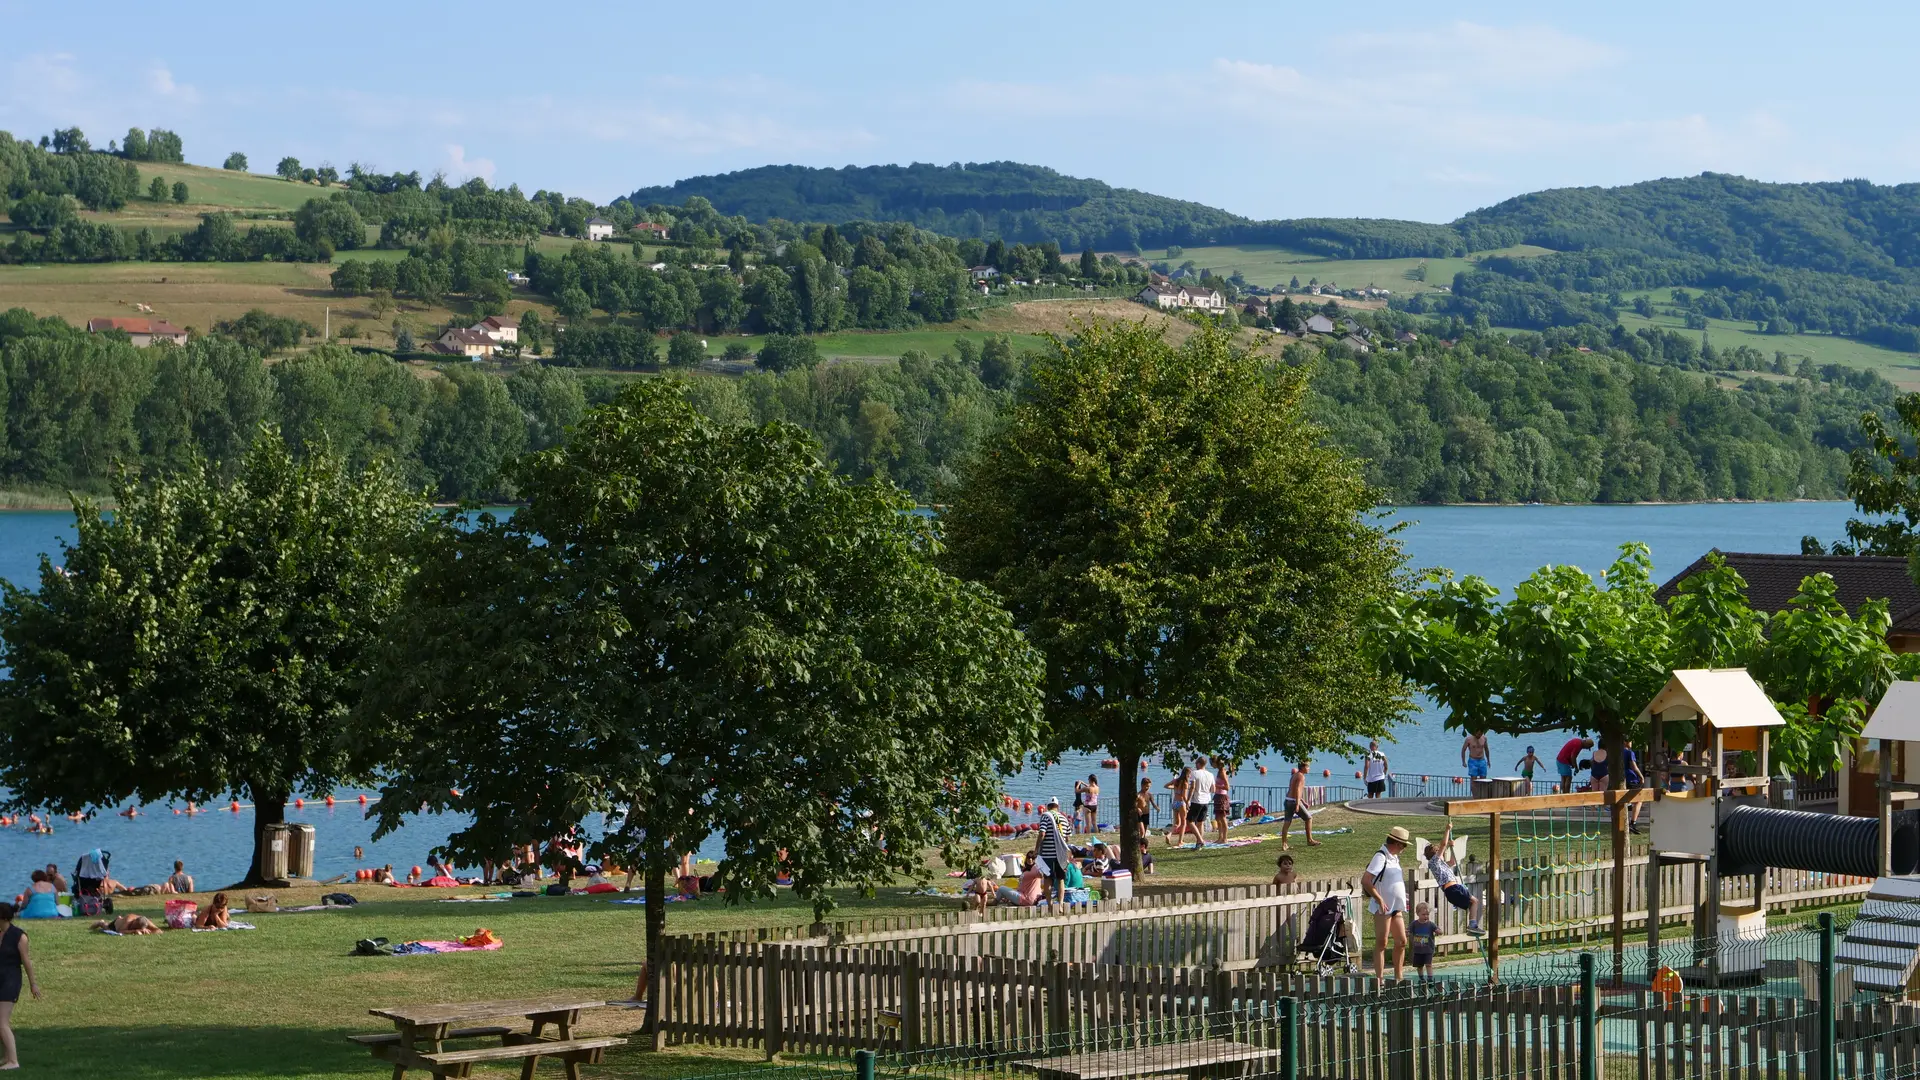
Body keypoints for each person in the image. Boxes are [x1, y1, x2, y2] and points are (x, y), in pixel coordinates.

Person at [1362, 826, 1412, 981]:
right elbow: (1366, 880)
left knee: (1401, 941)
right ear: (1397, 843)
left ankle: (1399, 977)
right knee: (1382, 942)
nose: (1404, 848)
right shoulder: (1381, 856)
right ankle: (1380, 979)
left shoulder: (1395, 858)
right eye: (1403, 845)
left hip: (1396, 906)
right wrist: (1379, 899)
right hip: (1383, 907)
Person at [1425, 824, 1483, 935]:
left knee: (1472, 904)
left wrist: (1452, 848)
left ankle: (1472, 926)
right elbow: (1443, 844)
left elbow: (1452, 862)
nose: (1443, 854)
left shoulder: (1441, 864)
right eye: (1442, 853)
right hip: (1453, 888)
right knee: (1475, 901)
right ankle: (1472, 926)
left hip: (1452, 890)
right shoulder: (1434, 862)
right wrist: (1447, 829)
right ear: (1436, 854)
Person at [0, 902, 38, 1069]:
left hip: (11, 980)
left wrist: (33, 984)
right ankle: (6, 1056)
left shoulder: (19, 936)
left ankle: (13, 1061)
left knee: (2, 1022)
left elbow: (26, 962)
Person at [1036, 797, 1073, 899]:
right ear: (1058, 806)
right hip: (1061, 855)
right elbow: (1067, 838)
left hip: (1048, 853)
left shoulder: (1046, 816)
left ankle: (1049, 904)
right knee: (1061, 879)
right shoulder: (1064, 819)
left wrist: (1036, 848)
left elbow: (1042, 833)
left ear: (1048, 806)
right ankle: (1060, 904)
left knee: (1048, 879)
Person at [1280, 761, 1321, 850]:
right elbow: (1298, 790)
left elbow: (1293, 789)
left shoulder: (1294, 775)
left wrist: (1303, 801)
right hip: (1294, 802)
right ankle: (1309, 840)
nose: (1309, 768)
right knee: (1309, 818)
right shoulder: (1301, 776)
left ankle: (1284, 844)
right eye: (1308, 767)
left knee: (1287, 822)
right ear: (1303, 767)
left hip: (1288, 800)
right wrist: (1298, 804)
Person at [1179, 756, 1216, 850]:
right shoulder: (1210, 774)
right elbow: (1213, 789)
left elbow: (1192, 788)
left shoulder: (1195, 773)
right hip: (1206, 800)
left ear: (1199, 764)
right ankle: (1198, 844)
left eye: (1196, 763)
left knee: (1189, 821)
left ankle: (1200, 840)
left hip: (1197, 800)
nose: (1195, 765)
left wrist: (1187, 800)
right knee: (1200, 823)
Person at [1407, 902, 1438, 982]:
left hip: (1428, 949)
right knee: (1419, 966)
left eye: (1427, 914)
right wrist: (1406, 933)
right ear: (1418, 914)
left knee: (1428, 964)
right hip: (1418, 949)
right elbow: (1408, 931)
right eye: (1423, 914)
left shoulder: (1430, 924)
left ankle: (1430, 978)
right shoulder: (1414, 924)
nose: (1426, 916)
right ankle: (1421, 978)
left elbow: (1437, 929)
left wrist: (1439, 931)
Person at [1163, 768, 1191, 845]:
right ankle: (1180, 841)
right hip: (1181, 803)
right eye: (1190, 774)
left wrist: (1174, 787)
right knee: (1183, 823)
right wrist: (1188, 804)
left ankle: (1169, 834)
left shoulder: (1176, 781)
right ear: (1187, 774)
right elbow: (1184, 796)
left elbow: (1166, 786)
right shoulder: (1185, 783)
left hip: (1175, 802)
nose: (1190, 776)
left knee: (1177, 823)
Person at [1622, 744, 1645, 833]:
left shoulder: (1617, 752)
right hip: (1631, 779)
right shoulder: (1629, 752)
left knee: (1625, 800)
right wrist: (1641, 776)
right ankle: (1632, 823)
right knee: (1639, 800)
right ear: (1626, 742)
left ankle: (1627, 823)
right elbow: (1633, 766)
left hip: (1621, 778)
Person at [1211, 760, 1232, 845]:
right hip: (1217, 796)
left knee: (1223, 818)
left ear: (1216, 763)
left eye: (1212, 763)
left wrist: (1216, 785)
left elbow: (1227, 787)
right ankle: (1220, 837)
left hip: (1222, 797)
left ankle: (1225, 838)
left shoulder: (1223, 772)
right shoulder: (1219, 772)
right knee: (1217, 818)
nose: (1211, 765)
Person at [91, 913, 160, 935]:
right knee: (104, 926)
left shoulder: (145, 921)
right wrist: (134, 931)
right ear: (134, 921)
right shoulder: (129, 920)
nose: (133, 927)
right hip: (116, 925)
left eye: (135, 927)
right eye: (133, 926)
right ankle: (100, 922)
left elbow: (159, 931)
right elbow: (119, 931)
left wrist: (148, 931)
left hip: (121, 921)